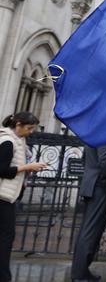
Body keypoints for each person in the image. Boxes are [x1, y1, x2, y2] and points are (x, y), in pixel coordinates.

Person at [0, 112, 47, 282]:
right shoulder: (8, 141)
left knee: (6, 238)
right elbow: (2, 170)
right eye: (29, 128)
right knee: (5, 239)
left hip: (8, 197)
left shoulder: (19, 140)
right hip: (2, 197)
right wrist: (27, 167)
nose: (31, 132)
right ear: (18, 124)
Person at [71, 143, 106, 282]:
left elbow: (84, 158)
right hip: (99, 186)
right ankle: (80, 274)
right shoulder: (105, 133)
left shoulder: (93, 132)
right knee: (90, 231)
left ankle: (80, 270)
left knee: (87, 230)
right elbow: (105, 160)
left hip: (92, 182)